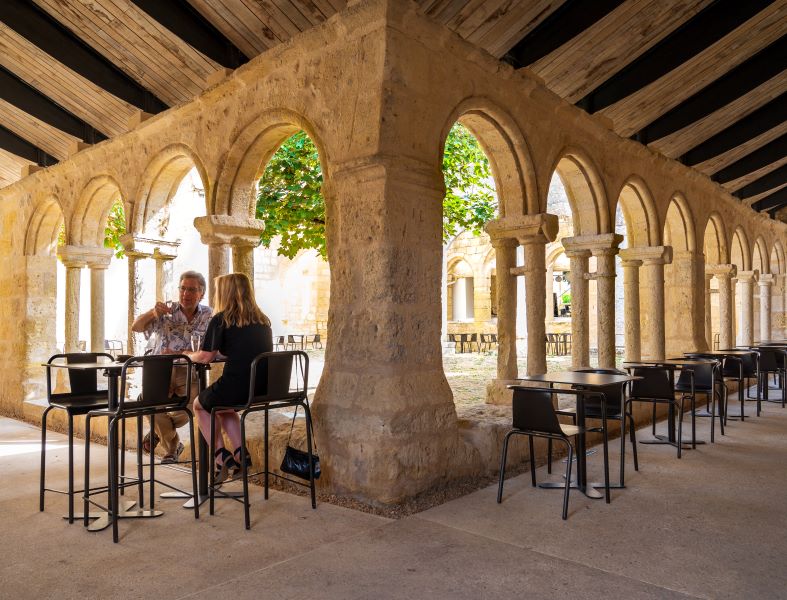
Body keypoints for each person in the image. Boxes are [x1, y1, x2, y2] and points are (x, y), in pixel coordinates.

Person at [187, 272, 272, 483]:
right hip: (262, 388)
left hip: (238, 384)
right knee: (225, 408)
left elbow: (206, 356)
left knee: (199, 405)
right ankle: (242, 455)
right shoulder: (263, 321)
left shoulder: (222, 319)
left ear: (226, 293)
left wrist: (186, 354)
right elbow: (243, 347)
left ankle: (220, 457)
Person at [131, 270, 213, 463]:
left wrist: (183, 353)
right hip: (161, 369)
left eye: (192, 290)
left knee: (196, 403)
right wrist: (153, 313)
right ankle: (173, 444)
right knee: (148, 400)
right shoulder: (166, 310)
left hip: (189, 369)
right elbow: (136, 327)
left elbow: (211, 346)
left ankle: (159, 433)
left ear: (201, 293)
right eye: (183, 288)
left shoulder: (208, 315)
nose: (186, 294)